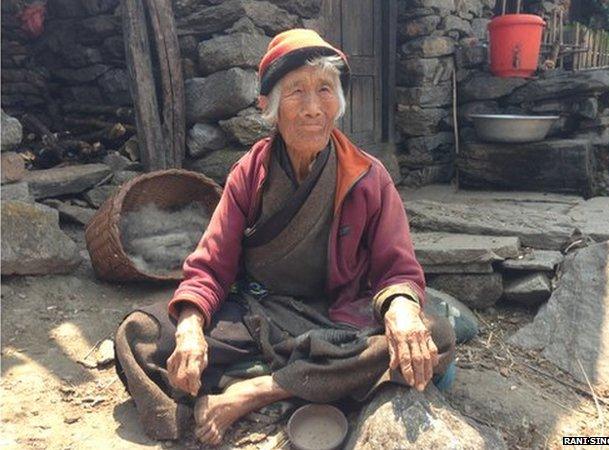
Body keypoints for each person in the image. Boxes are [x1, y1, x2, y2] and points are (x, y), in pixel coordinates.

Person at [114, 28, 456, 446]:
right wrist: (189, 327)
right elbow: (211, 265)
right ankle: (316, 380)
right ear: (270, 107)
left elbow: (397, 268)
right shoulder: (250, 173)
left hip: (338, 318)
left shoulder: (369, 178)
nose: (313, 108)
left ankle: (259, 389)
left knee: (434, 338)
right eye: (296, 92)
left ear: (339, 102)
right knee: (139, 333)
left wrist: (402, 310)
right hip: (261, 312)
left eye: (325, 90)